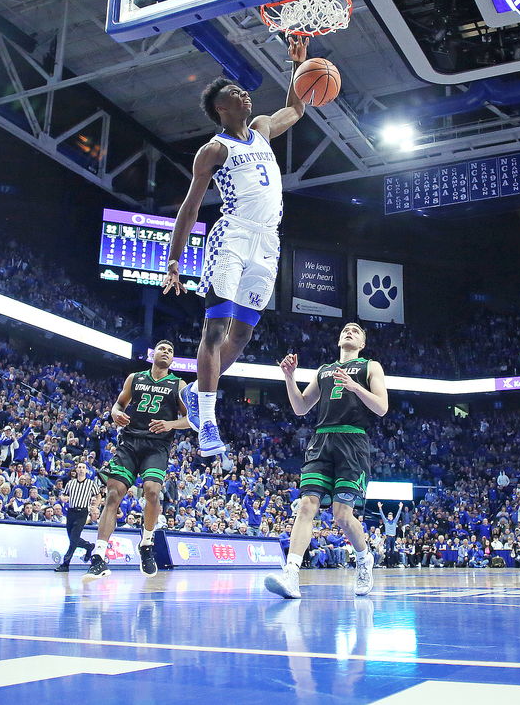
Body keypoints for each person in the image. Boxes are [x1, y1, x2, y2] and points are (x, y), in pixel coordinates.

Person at [161, 36, 309, 457]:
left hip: (269, 240)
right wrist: (174, 259)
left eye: (242, 90)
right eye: (234, 93)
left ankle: (193, 392)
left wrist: (297, 68)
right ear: (221, 108)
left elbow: (296, 109)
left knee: (241, 336)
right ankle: (207, 422)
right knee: (215, 328)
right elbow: (189, 208)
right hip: (232, 235)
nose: (244, 93)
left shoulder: (262, 128)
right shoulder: (214, 149)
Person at [265, 323, 388, 599]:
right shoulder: (324, 370)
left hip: (353, 442)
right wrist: (289, 376)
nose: (349, 331)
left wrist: (355, 387)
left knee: (342, 515)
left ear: (362, 344)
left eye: (356, 330)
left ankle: (364, 558)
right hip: (321, 440)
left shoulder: (371, 367)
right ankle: (291, 574)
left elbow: (382, 407)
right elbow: (300, 407)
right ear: (338, 339)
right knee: (307, 504)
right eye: (345, 329)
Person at [84, 341, 191, 583]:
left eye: (170, 350)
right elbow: (119, 404)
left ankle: (146, 543)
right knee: (113, 494)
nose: (166, 351)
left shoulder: (178, 384)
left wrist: (170, 424)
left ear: (172, 360)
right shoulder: (135, 378)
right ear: (153, 354)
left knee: (152, 491)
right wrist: (114, 413)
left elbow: (191, 419)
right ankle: (99, 556)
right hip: (130, 442)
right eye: (162, 348)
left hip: (157, 445)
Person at [55, 462, 99, 572]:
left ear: (86, 471)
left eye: (83, 467)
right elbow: (64, 494)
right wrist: (63, 498)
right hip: (71, 511)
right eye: (79, 467)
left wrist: (95, 506)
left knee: (74, 537)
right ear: (76, 470)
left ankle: (65, 563)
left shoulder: (91, 483)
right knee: (72, 538)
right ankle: (88, 546)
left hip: (82, 512)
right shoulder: (71, 483)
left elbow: (98, 495)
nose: (81, 469)